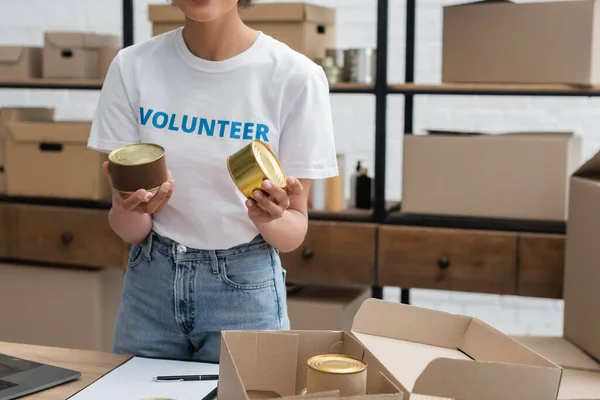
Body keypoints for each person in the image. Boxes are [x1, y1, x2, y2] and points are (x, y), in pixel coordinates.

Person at [87, 0, 338, 363]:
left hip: (246, 292)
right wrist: (132, 209)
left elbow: (294, 232)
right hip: (150, 288)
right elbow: (128, 229)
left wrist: (271, 218)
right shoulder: (132, 67)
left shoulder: (296, 77)